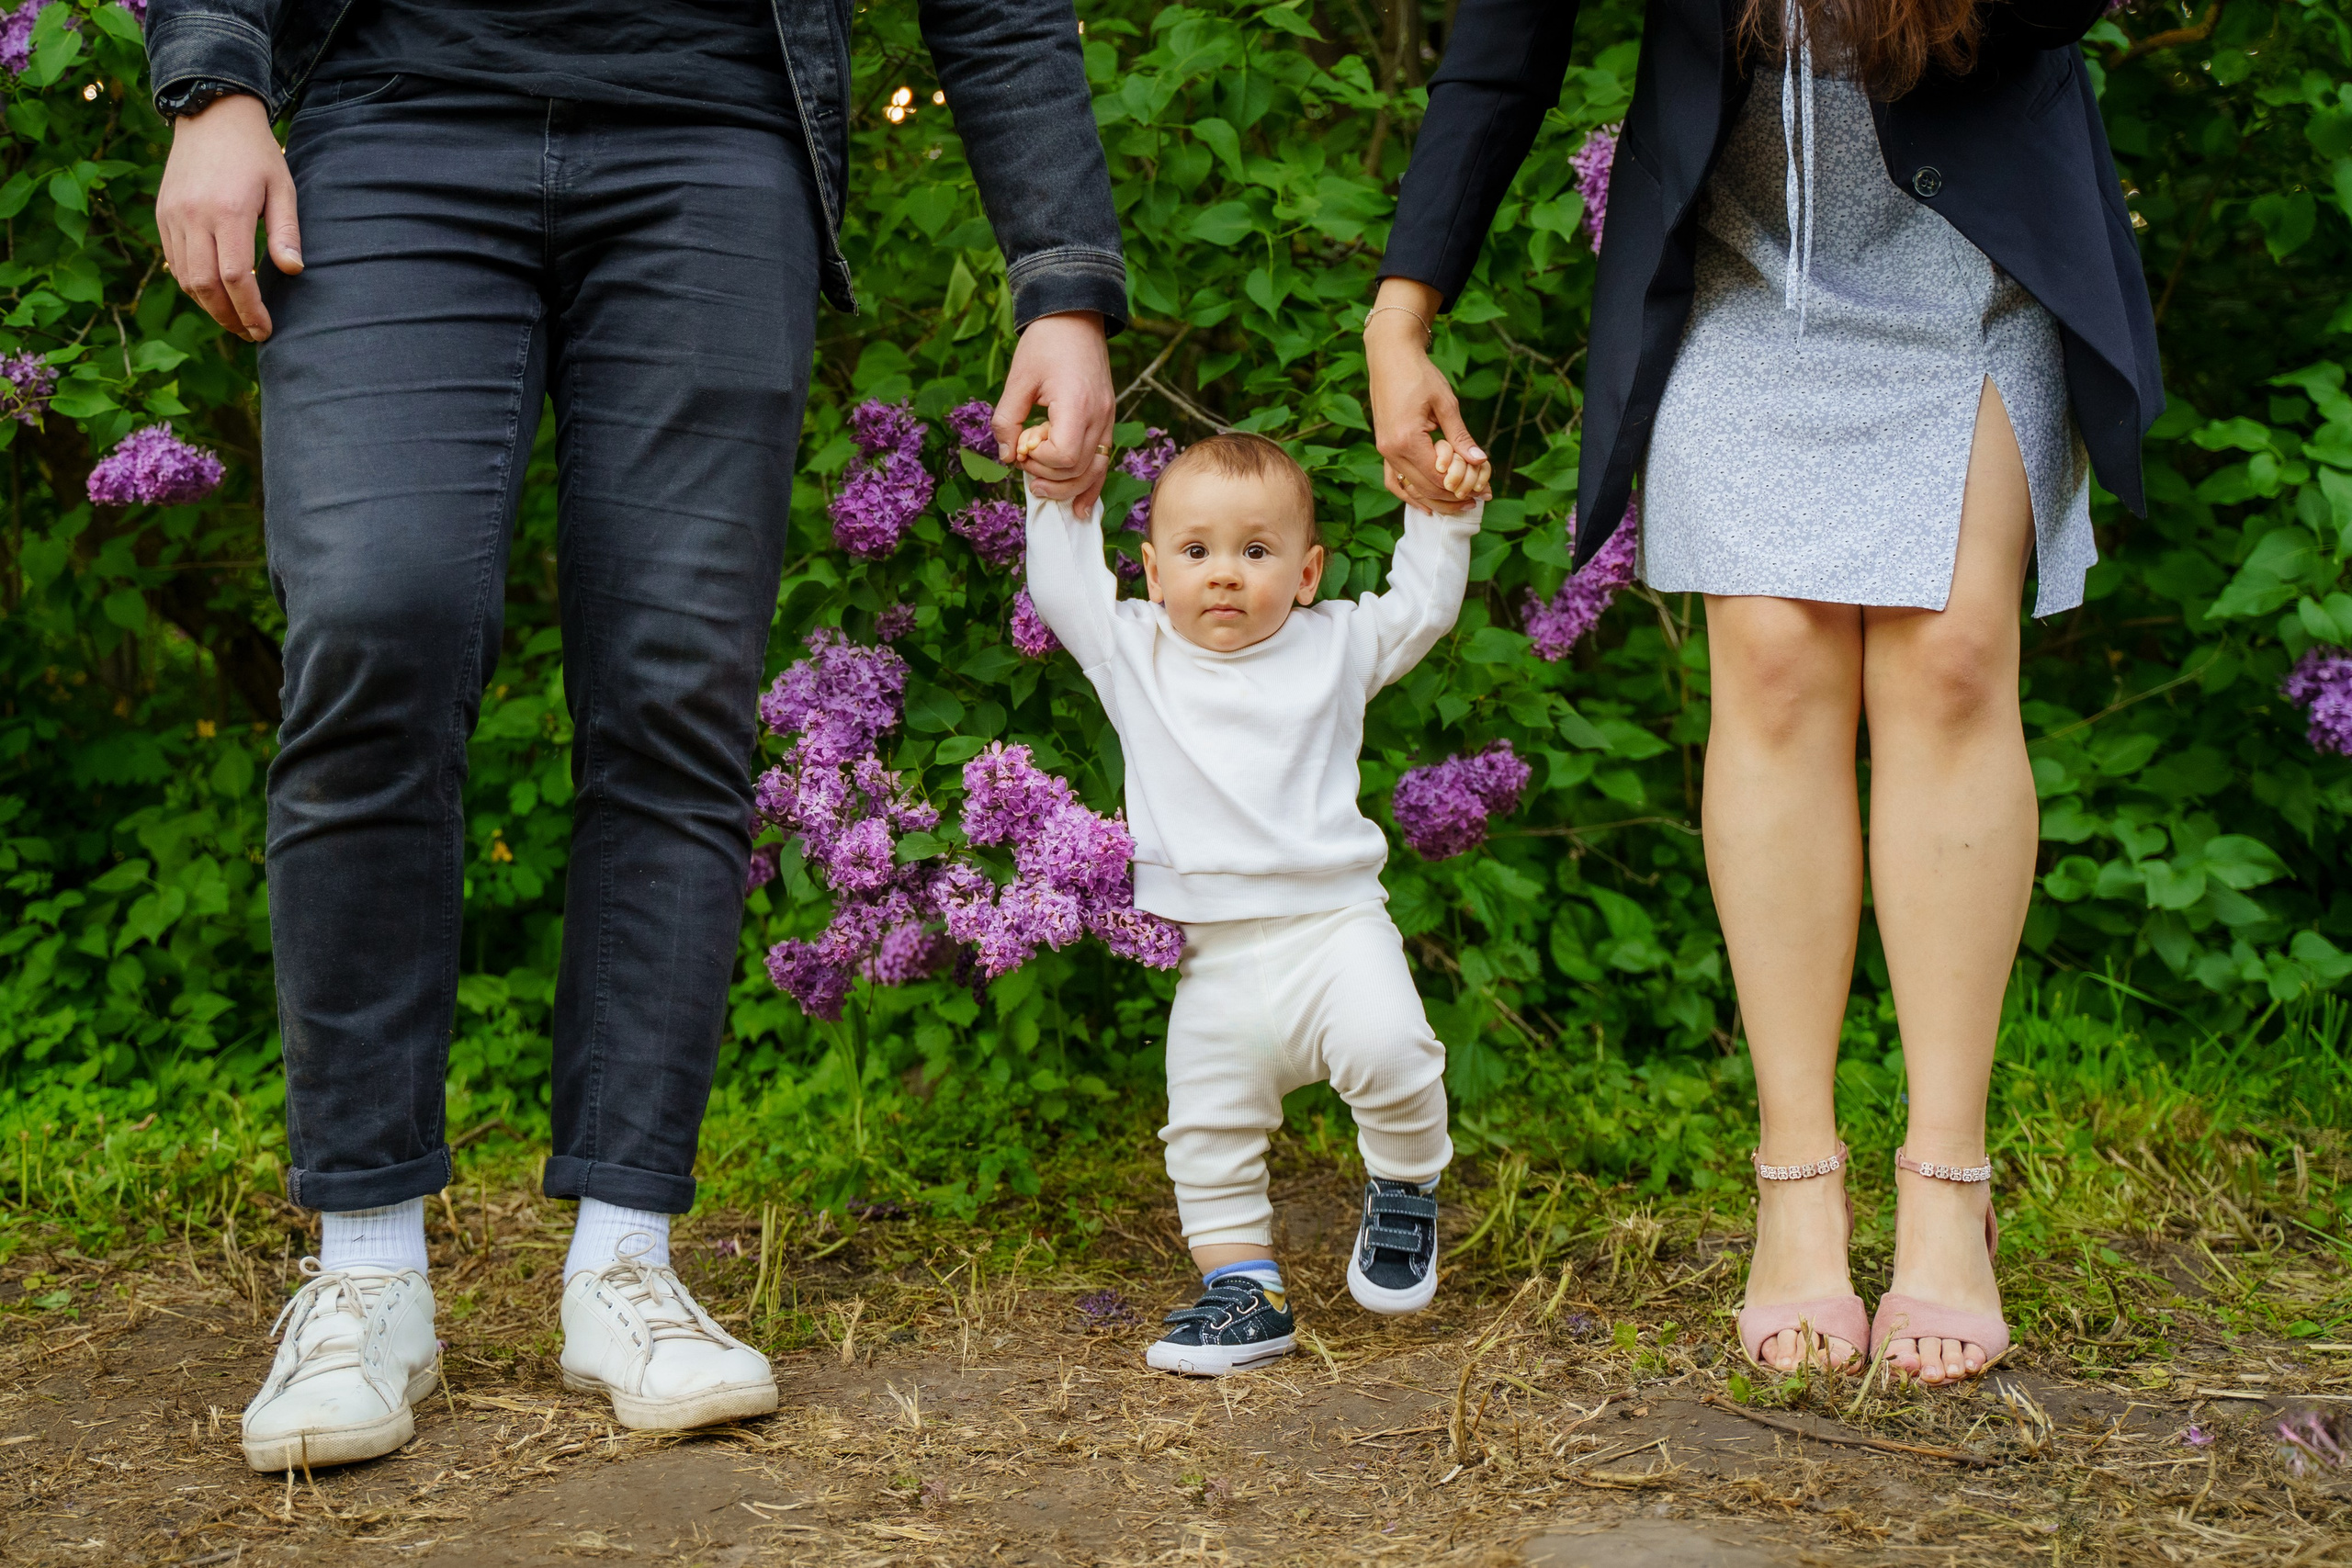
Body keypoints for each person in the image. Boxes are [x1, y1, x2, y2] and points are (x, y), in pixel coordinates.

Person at [141, 0, 1126, 1466]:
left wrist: (1061, 279)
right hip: (396, 116)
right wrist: (214, 81)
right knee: (373, 619)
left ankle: (626, 1259)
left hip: (716, 134)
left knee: (676, 677)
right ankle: (363, 1269)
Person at [1365, 0, 2161, 1383]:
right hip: (1748, 257)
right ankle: (1797, 1182)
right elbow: (1511, 28)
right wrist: (1403, 309)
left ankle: (1947, 1185)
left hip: (1975, 250)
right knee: (1778, 665)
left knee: (1955, 655)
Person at [1020, 427, 1488, 1376]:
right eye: (1196, 552)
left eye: (1256, 551)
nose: (1225, 574)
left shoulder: (1338, 644)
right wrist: (1057, 495)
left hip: (1335, 928)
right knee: (1204, 1133)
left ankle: (1404, 1182)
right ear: (1152, 573)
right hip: (1213, 959)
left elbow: (1424, 607)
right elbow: (1064, 588)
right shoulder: (1133, 652)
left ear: (1307, 573)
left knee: (1395, 1052)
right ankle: (1244, 1291)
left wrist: (1441, 511)